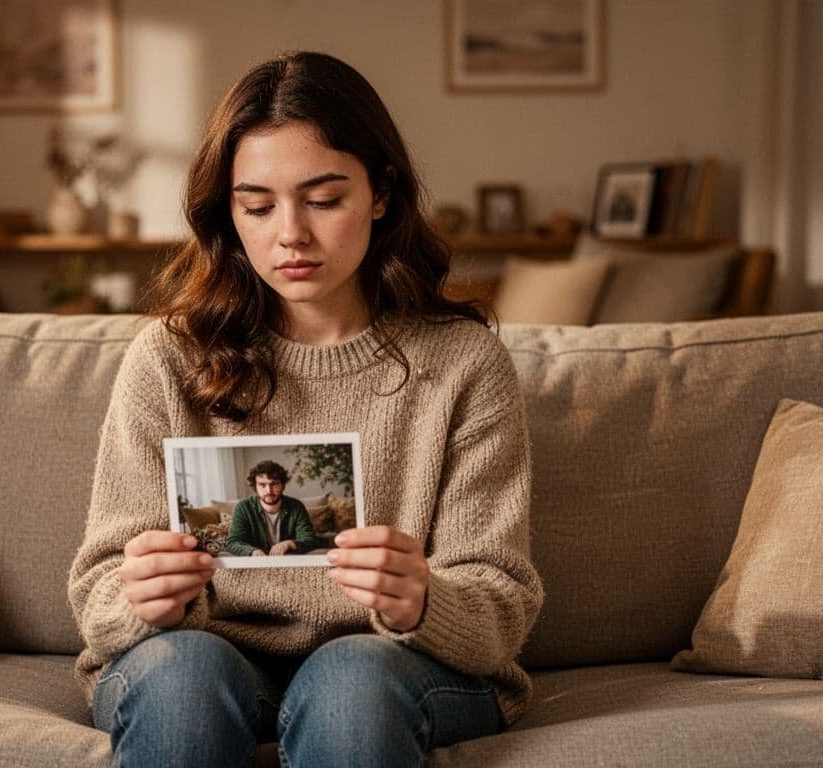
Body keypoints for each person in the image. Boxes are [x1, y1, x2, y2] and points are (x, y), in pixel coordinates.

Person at [67, 50, 542, 768]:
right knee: (185, 680)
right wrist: (142, 596)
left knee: (349, 681)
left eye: (324, 200)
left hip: (394, 665)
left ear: (381, 194)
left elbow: (500, 599)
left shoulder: (463, 365)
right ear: (227, 211)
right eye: (256, 206)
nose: (290, 233)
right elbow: (100, 588)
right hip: (209, 661)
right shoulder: (167, 359)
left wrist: (423, 600)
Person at [224, 459, 322, 556]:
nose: (269, 491)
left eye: (274, 484)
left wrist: (289, 543)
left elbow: (310, 539)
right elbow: (233, 542)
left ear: (282, 485)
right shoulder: (243, 507)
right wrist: (251, 551)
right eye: (262, 485)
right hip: (257, 563)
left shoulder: (296, 506)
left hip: (287, 561)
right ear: (255, 487)